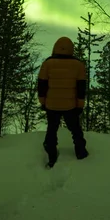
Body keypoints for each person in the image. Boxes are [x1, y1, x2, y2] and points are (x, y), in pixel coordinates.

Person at [38, 36, 89, 167]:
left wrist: (43, 102)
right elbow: (81, 88)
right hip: (70, 105)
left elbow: (42, 85)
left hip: (52, 105)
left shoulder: (48, 63)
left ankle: (51, 154)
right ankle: (81, 152)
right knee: (75, 130)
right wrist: (80, 105)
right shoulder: (78, 65)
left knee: (52, 129)